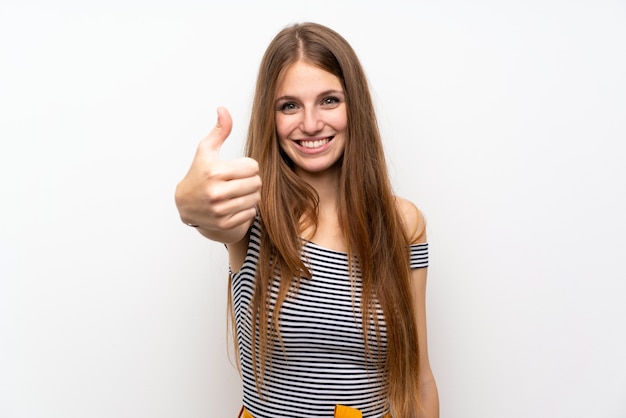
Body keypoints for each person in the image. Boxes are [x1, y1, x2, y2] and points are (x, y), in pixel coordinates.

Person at [175, 22, 439, 418]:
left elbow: (418, 378)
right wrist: (189, 203)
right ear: (271, 115)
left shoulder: (402, 223)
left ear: (355, 107)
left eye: (329, 100)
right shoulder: (252, 213)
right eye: (289, 105)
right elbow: (208, 216)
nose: (312, 124)